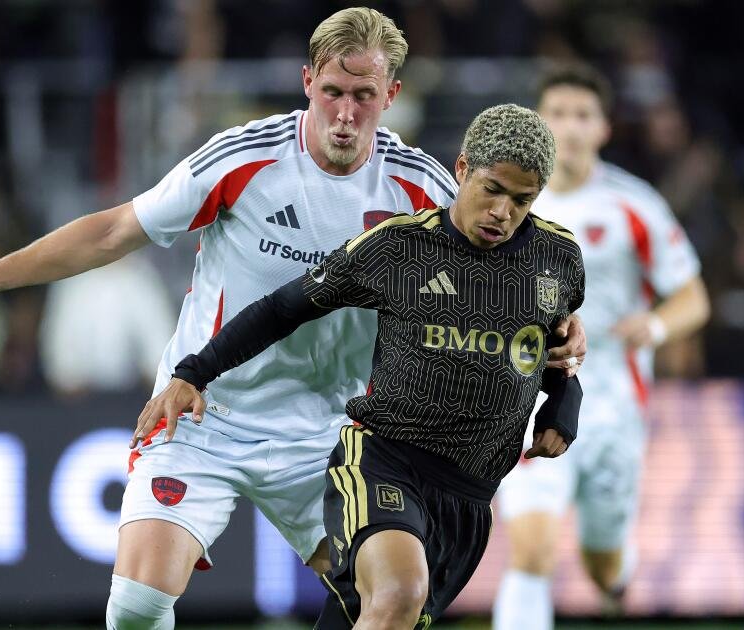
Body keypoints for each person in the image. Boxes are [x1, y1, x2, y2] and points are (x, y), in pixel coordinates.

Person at [0, 8, 587, 629]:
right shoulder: (245, 159)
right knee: (137, 607)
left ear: (391, 96)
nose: (346, 114)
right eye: (333, 93)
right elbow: (114, 231)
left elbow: (514, 264)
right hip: (206, 411)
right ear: (307, 82)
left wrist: (565, 328)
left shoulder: (421, 186)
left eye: (365, 96)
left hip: (335, 433)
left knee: (389, 605)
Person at [135, 103, 585, 630]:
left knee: (366, 616)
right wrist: (193, 372)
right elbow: (283, 309)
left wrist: (563, 404)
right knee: (398, 594)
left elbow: (551, 354)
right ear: (462, 169)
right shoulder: (398, 247)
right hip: (383, 461)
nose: (503, 213)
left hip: (470, 496)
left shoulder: (559, 260)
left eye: (521, 200)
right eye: (492, 189)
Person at [492, 62, 710, 629]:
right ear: (537, 123)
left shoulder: (634, 205)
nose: (569, 126)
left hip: (613, 406)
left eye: (583, 115)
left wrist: (655, 328)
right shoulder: (505, 203)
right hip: (529, 396)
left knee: (602, 563)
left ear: (604, 128)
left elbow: (693, 297)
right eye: (558, 113)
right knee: (532, 551)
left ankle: (615, 576)